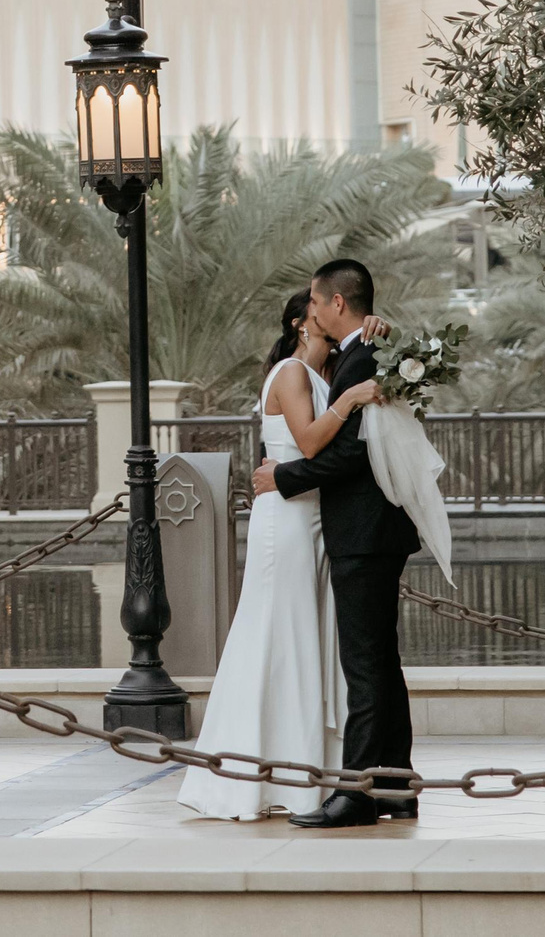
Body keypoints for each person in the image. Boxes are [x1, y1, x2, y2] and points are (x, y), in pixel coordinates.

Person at [176, 292, 382, 821]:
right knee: (275, 635)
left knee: (306, 640)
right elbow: (311, 443)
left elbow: (363, 346)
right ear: (301, 322)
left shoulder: (327, 370)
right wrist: (350, 401)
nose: (327, 312)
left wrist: (371, 334)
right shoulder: (290, 373)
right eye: (316, 307)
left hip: (313, 520)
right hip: (286, 524)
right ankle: (250, 775)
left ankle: (301, 772)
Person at [251, 258, 423, 828]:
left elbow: (352, 452)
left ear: (336, 304)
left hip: (360, 531)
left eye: (318, 302)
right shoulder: (363, 355)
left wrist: (285, 478)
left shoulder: (362, 359)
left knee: (365, 666)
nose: (314, 311)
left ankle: (358, 794)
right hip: (368, 530)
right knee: (379, 661)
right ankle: (395, 785)